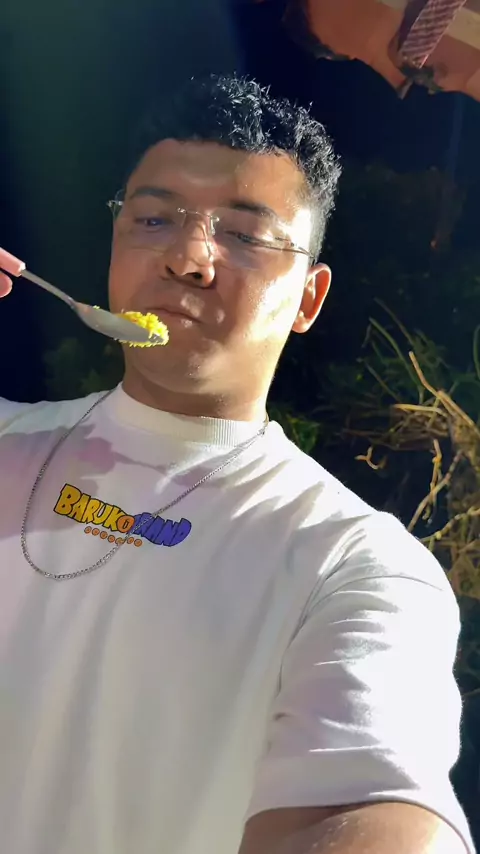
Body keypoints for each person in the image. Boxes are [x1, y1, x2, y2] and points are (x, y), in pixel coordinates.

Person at [0, 74, 473, 854]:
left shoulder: (352, 562)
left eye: (246, 235)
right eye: (154, 218)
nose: (188, 257)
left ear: (309, 298)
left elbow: (380, 801)